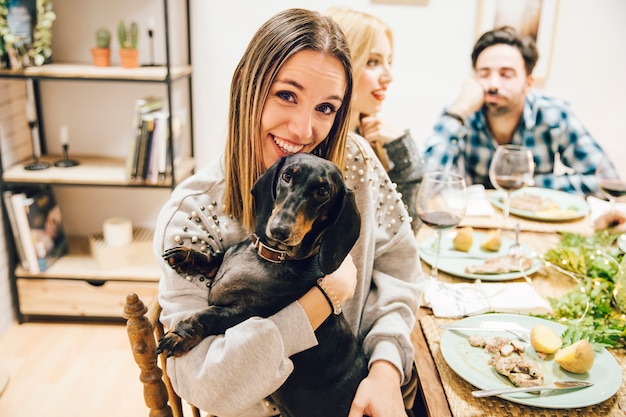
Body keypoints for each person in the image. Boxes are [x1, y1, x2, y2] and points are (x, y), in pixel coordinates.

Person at [154, 8, 422, 417]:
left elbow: (399, 273)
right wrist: (323, 300)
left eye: (326, 108)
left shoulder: (355, 166)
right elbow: (201, 382)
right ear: (246, 85)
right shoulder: (194, 214)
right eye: (286, 95)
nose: (303, 129)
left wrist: (385, 369)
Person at [422, 26, 616, 195]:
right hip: (479, 227)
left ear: (528, 83)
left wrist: (529, 185)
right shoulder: (460, 115)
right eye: (484, 73)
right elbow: (426, 184)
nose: (493, 84)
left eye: (506, 75)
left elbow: (608, 181)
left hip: (536, 223)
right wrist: (458, 111)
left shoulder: (554, 115)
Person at [324, 6, 423, 233]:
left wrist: (401, 152)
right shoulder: (320, 145)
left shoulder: (370, 137)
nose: (389, 76)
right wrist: (406, 158)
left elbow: (400, 238)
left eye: (389, 61)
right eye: (372, 62)